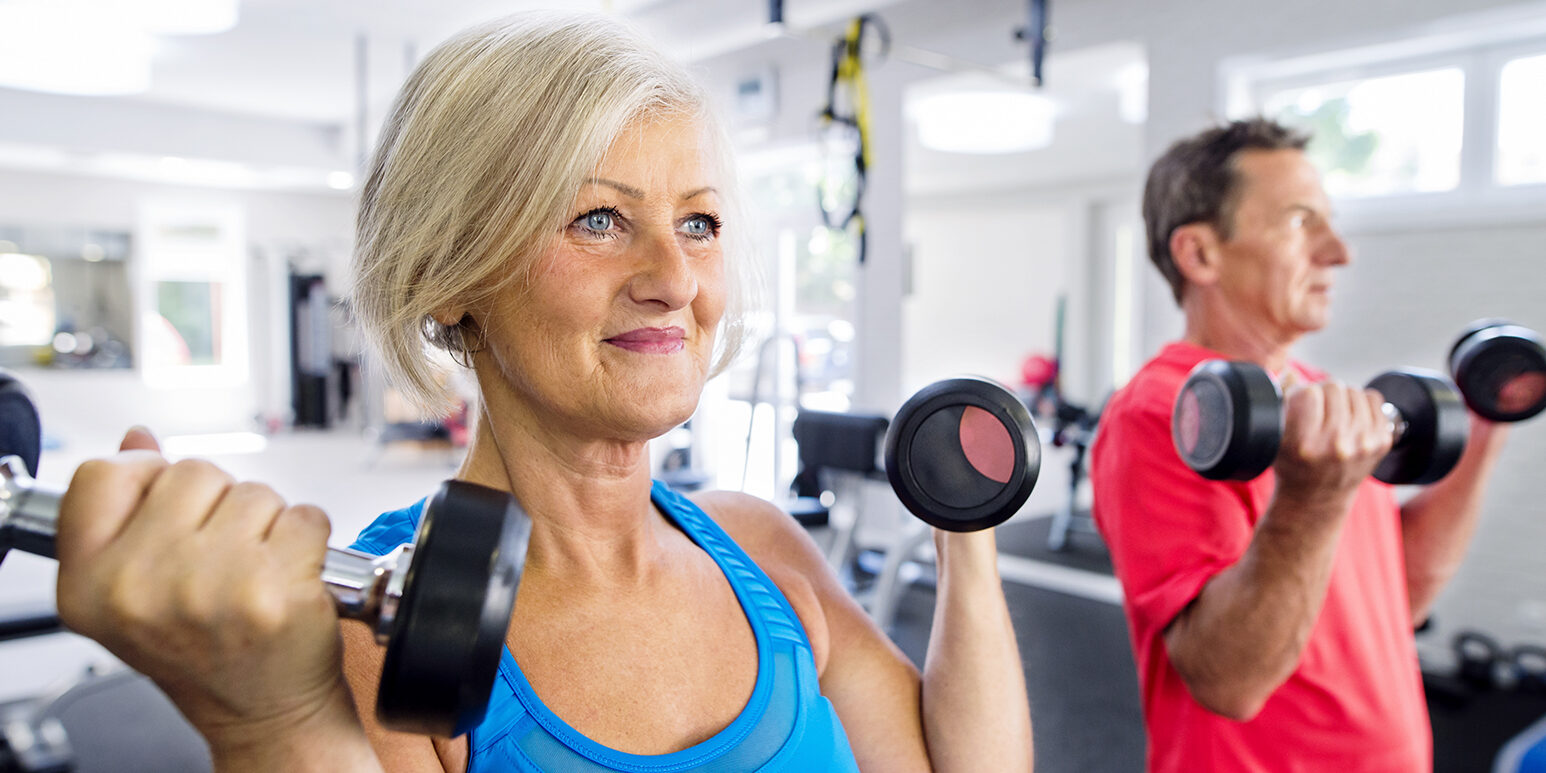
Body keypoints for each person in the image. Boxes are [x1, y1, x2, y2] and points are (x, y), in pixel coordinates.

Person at [53, 11, 1034, 773]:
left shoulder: (765, 551)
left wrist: (967, 531)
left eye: (697, 224)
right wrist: (269, 722)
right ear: (452, 272)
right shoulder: (376, 627)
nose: (675, 277)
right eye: (600, 218)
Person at [1089, 117, 1510, 771]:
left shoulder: (1318, 397)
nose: (1339, 251)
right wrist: (1313, 496)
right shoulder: (1161, 413)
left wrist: (1484, 425)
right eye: (1298, 220)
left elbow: (1399, 595)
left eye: (1330, 221)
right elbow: (1227, 680)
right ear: (1200, 253)